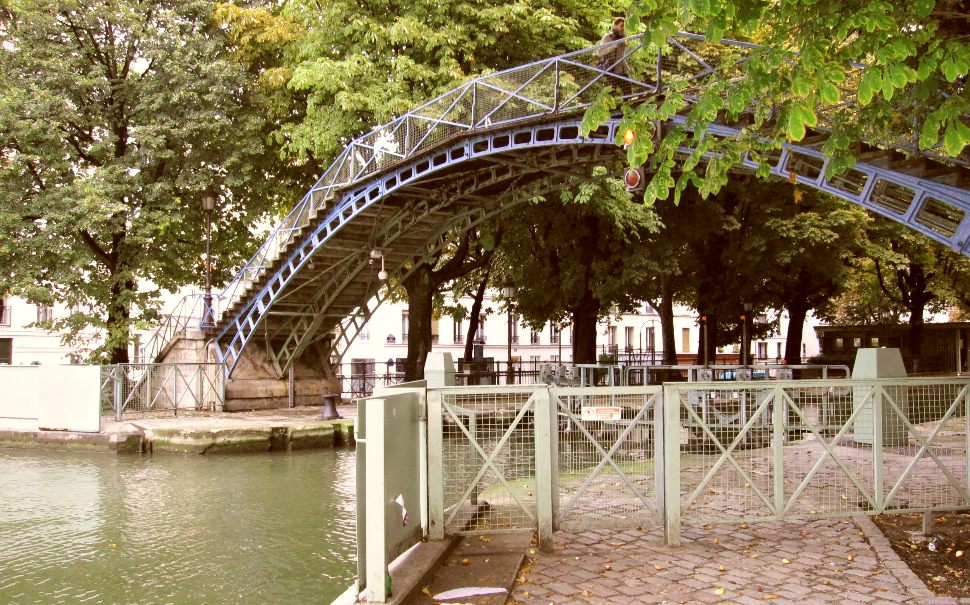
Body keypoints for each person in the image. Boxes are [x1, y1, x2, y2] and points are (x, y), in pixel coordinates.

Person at [597, 17, 632, 95]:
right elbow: (599, 53)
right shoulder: (607, 37)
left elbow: (622, 53)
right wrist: (615, 45)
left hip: (622, 69)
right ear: (615, 26)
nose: (623, 28)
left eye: (624, 26)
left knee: (628, 93)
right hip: (611, 69)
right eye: (621, 26)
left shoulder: (623, 37)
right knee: (613, 95)